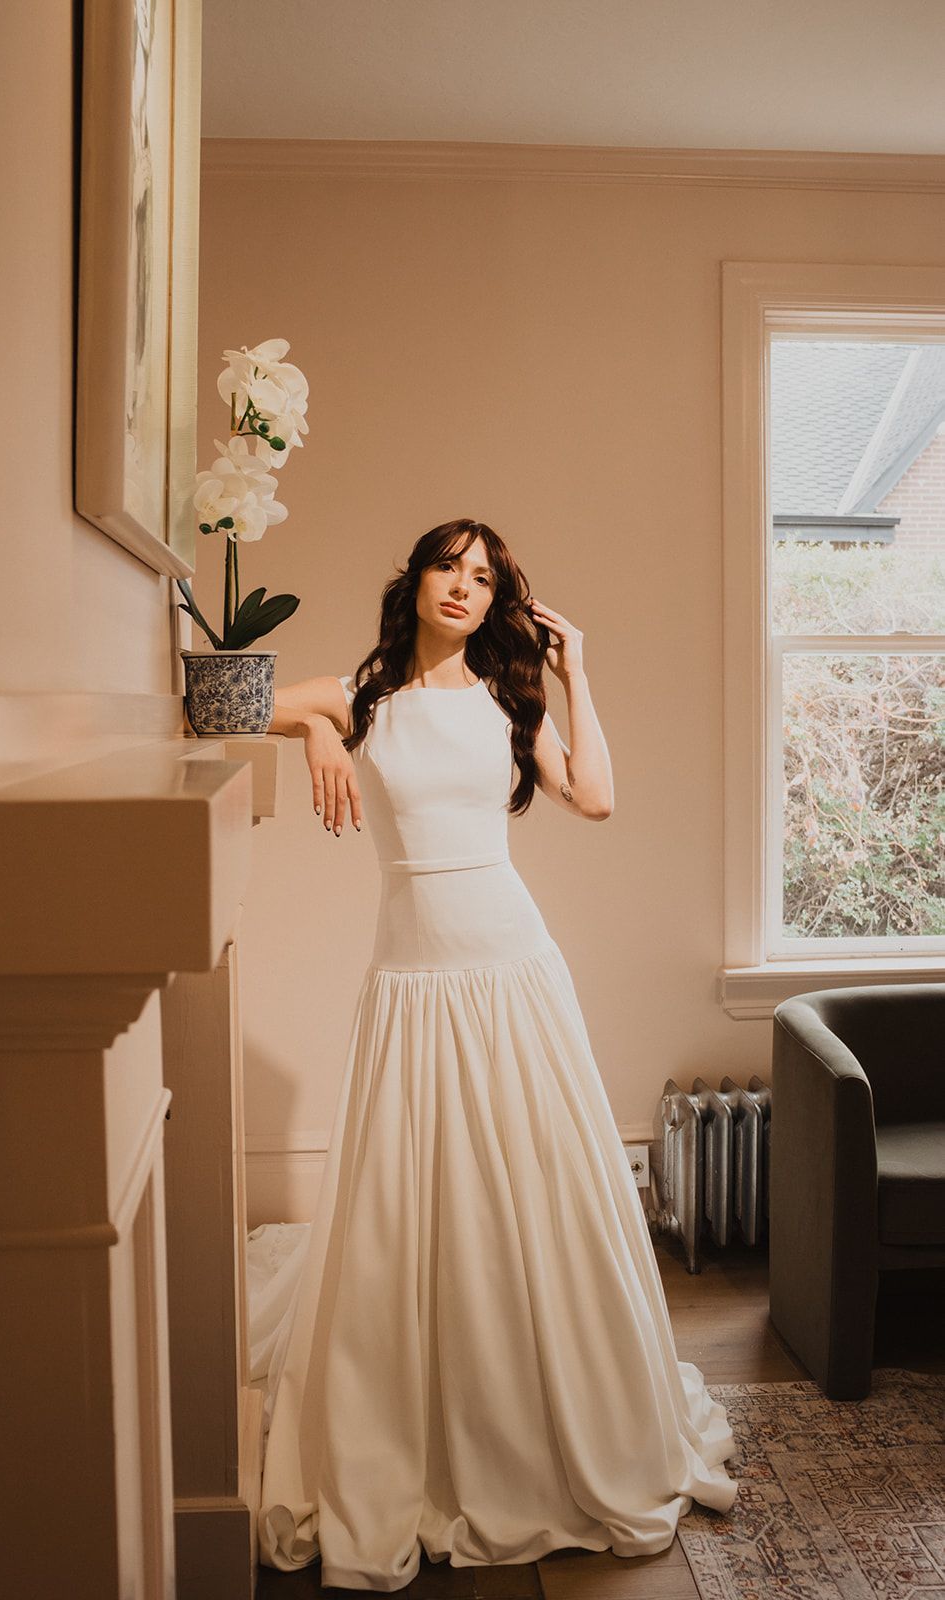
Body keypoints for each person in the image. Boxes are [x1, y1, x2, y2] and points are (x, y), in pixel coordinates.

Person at [257, 517, 739, 1590]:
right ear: (414, 580)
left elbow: (596, 798)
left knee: (530, 1192)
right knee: (408, 1207)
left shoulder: (507, 703)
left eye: (483, 577)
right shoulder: (364, 693)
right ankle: (420, 1424)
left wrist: (578, 678)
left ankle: (537, 1418)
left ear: (496, 599)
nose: (463, 587)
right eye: (447, 567)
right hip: (411, 978)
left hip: (511, 965)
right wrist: (316, 732)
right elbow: (220, 704)